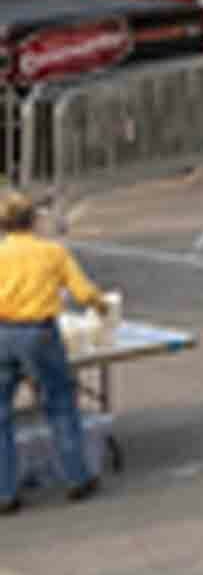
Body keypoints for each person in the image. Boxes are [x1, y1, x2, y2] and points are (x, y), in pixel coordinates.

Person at [0, 188, 116, 507]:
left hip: (3, 331)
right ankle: (77, 477)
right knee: (61, 404)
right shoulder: (53, 253)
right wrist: (102, 306)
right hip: (39, 332)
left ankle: (4, 491)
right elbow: (82, 292)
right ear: (34, 221)